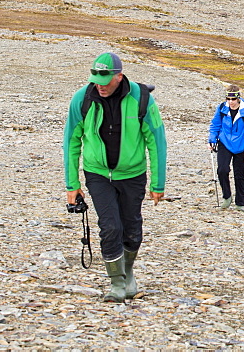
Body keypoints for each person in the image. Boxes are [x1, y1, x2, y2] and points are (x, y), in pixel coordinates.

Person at [62, 52, 167, 302]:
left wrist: (158, 183)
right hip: (98, 174)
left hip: (132, 175)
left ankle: (127, 271)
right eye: (95, 78)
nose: (99, 84)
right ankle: (117, 283)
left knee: (132, 229)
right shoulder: (83, 99)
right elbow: (71, 141)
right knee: (110, 227)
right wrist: (71, 184)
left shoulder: (142, 100)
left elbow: (157, 140)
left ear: (119, 76)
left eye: (105, 79)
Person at [208, 85, 244, 211]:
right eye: (228, 99)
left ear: (238, 98)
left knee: (239, 174)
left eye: (233, 99)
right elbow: (215, 124)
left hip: (241, 145)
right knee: (222, 170)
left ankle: (240, 202)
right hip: (224, 143)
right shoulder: (222, 109)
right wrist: (212, 139)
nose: (230, 102)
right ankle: (227, 196)